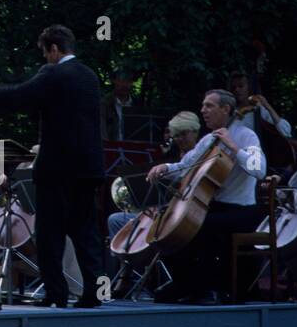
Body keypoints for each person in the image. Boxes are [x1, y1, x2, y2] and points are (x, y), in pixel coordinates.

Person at [0, 24, 106, 308]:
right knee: (86, 232)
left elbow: (20, 94)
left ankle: (56, 294)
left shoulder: (54, 72)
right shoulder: (89, 76)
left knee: (50, 233)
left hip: (58, 168)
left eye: (46, 53)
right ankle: (93, 294)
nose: (45, 59)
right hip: (88, 168)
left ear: (54, 49)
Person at [146, 91, 266, 304]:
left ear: (226, 109)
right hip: (214, 205)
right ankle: (186, 282)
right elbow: (185, 167)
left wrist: (233, 146)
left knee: (201, 227)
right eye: (203, 106)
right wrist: (165, 167)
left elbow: (259, 170)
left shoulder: (247, 135)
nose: (203, 110)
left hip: (242, 210)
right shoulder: (208, 140)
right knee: (166, 229)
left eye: (209, 106)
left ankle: (206, 288)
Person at [107, 111, 201, 271]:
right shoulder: (171, 154)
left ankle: (133, 275)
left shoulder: (198, 155)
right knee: (115, 219)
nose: (179, 139)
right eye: (176, 135)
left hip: (175, 217)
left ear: (195, 132)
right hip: (158, 213)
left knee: (131, 228)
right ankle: (127, 273)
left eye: (184, 134)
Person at [101, 69, 136, 140]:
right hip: (112, 148)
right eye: (121, 81)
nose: (124, 85)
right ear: (114, 81)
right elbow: (101, 130)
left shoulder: (136, 104)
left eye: (128, 81)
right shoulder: (105, 103)